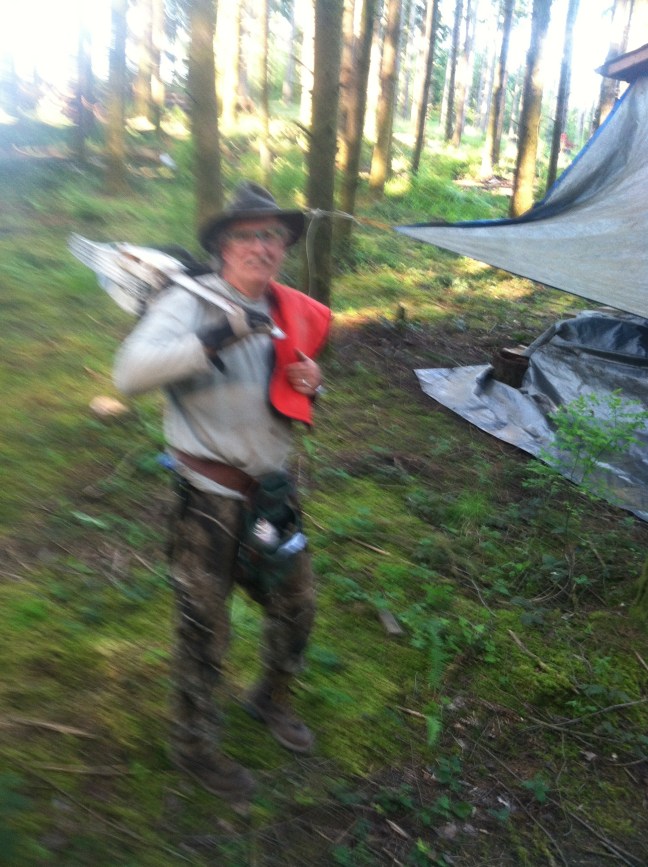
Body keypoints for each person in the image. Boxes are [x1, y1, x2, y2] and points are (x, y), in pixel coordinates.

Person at [113, 181, 331, 804]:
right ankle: (193, 746)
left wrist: (314, 382)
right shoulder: (190, 302)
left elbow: (290, 387)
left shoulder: (287, 308)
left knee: (297, 605)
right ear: (222, 247)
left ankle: (270, 698)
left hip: (272, 495)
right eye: (246, 235)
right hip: (206, 497)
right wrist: (218, 335)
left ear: (284, 245)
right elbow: (127, 374)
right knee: (203, 625)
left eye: (272, 235)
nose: (261, 246)